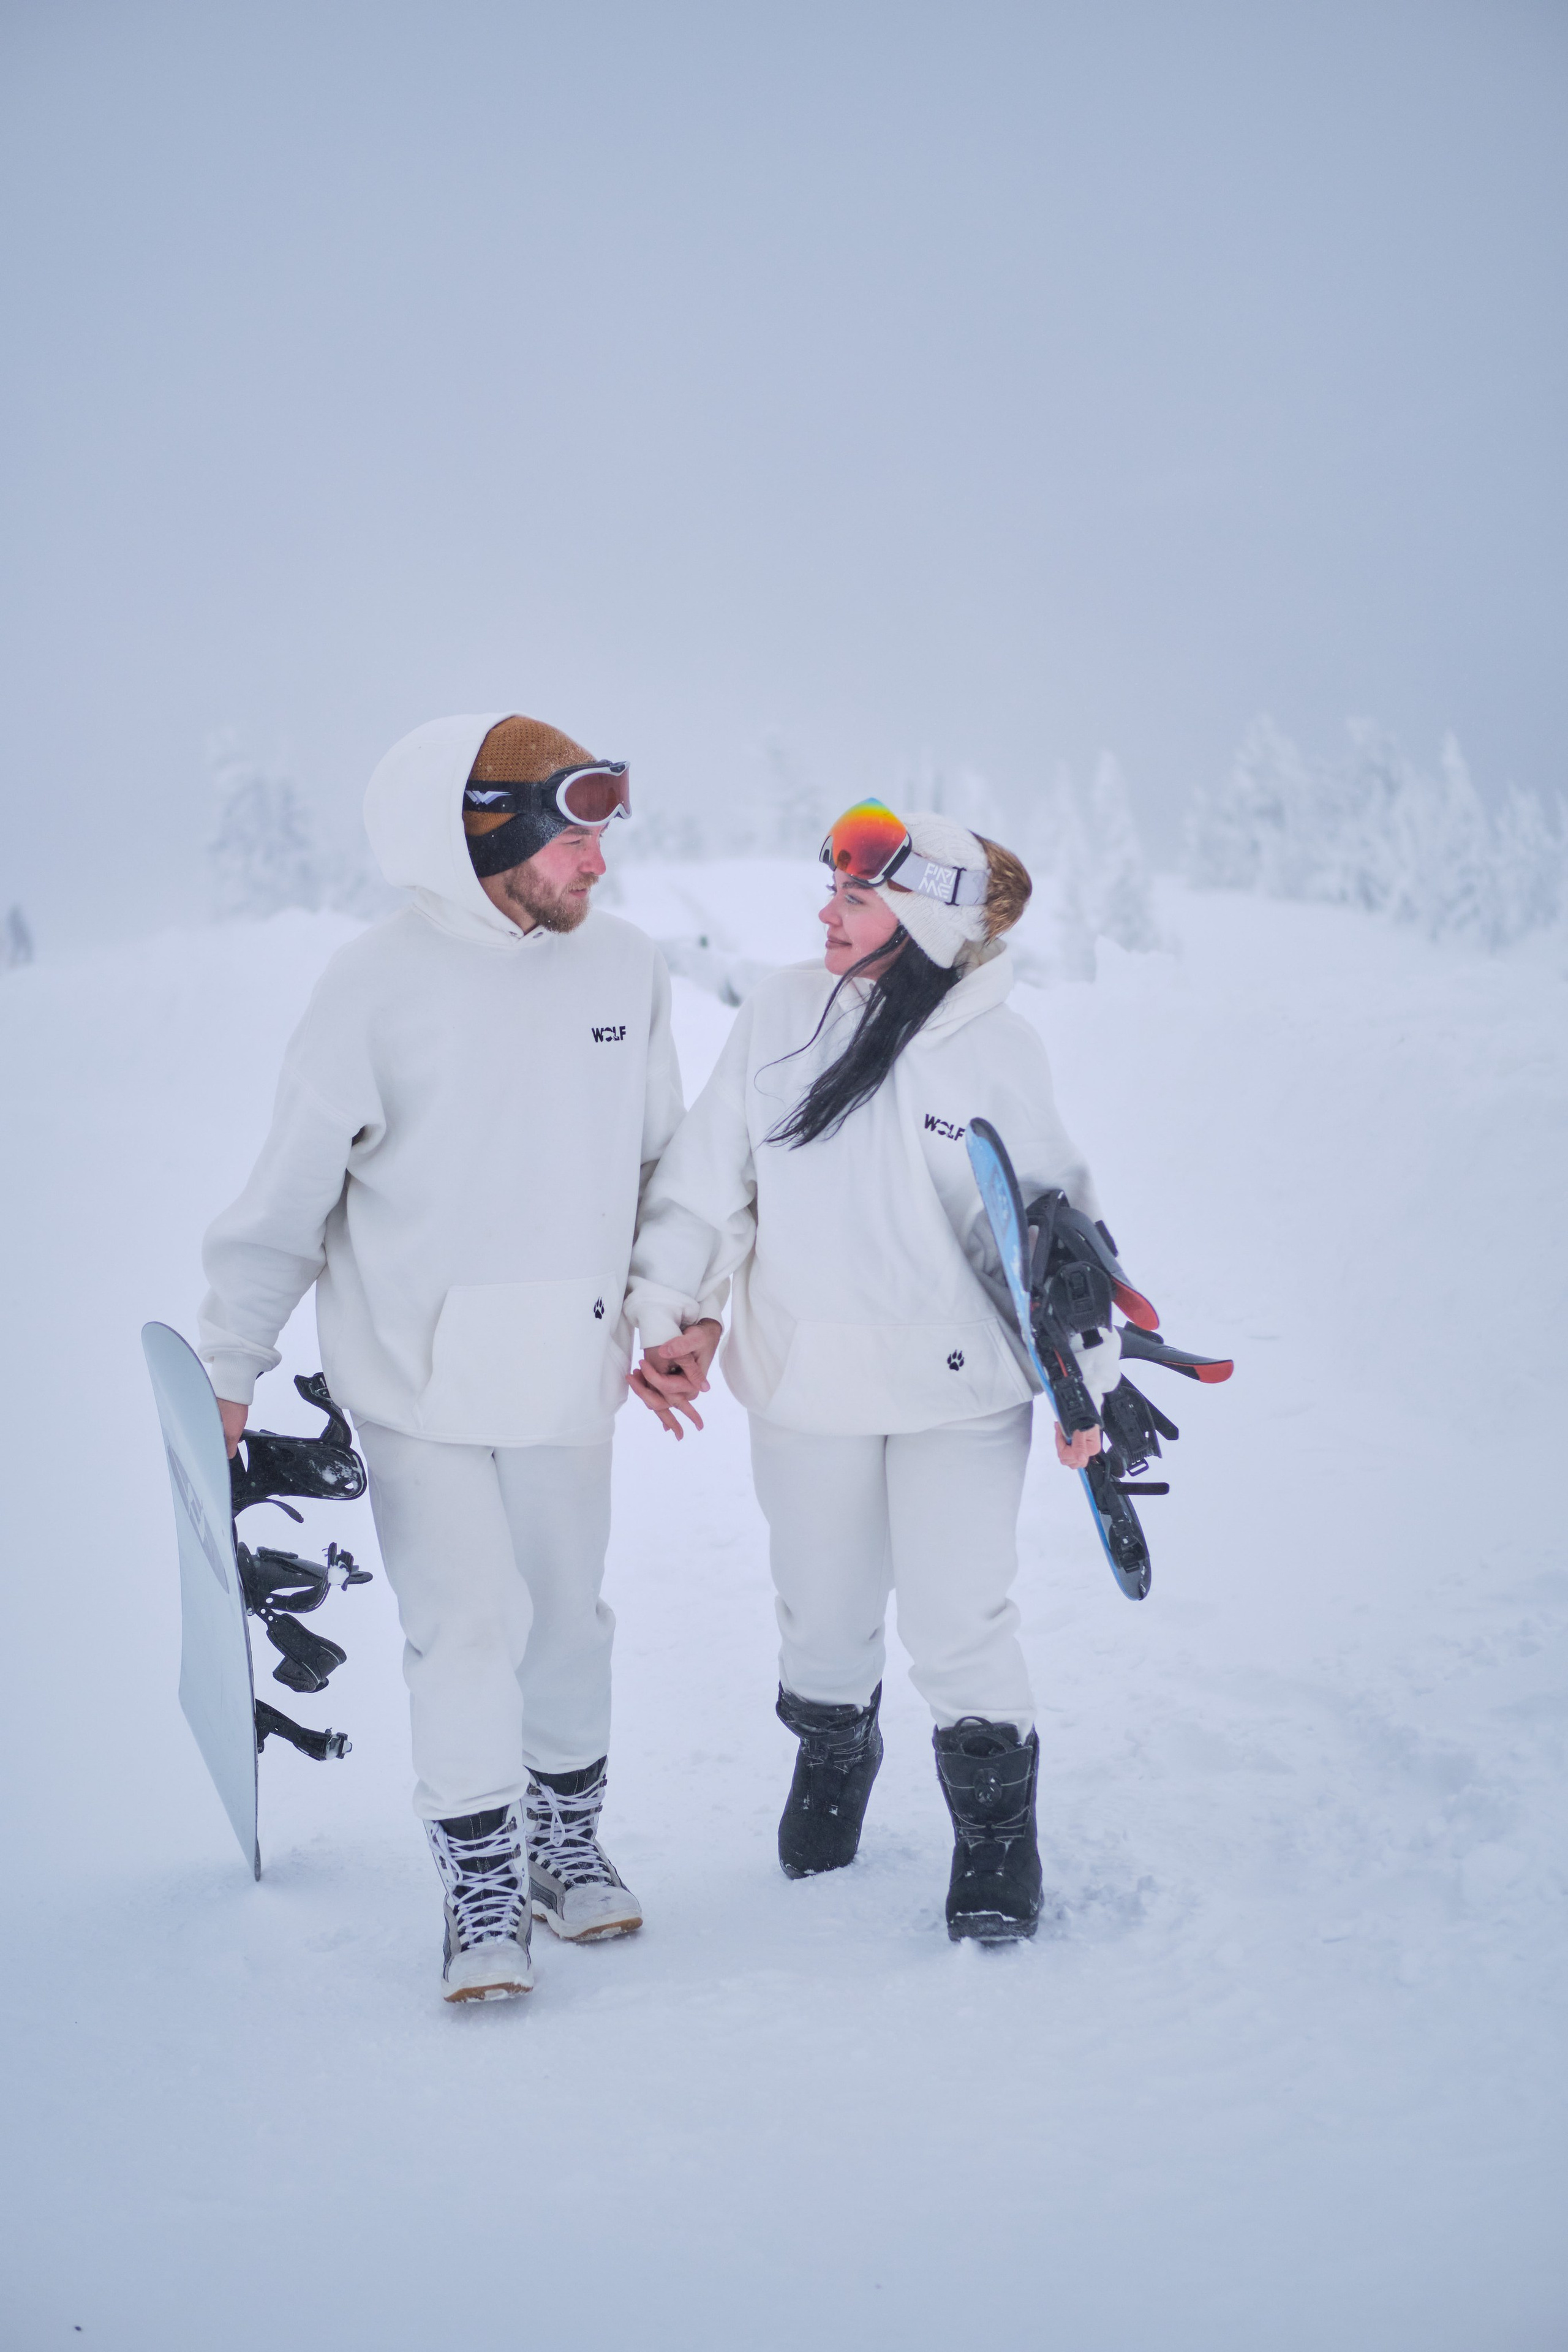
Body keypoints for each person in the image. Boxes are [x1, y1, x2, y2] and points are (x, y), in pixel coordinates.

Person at [199, 712, 708, 2002]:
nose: (598, 863)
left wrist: (665, 1314)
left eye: (602, 833)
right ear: (485, 831)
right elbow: (284, 1203)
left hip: (566, 1371)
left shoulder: (626, 970)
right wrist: (227, 1363)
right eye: (573, 834)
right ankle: (479, 1871)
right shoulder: (373, 984)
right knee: (464, 1626)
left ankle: (563, 1842)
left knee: (568, 1624)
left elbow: (660, 1169)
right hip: (415, 1380)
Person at [625, 800, 1118, 1943]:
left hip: (956, 1392)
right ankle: (835, 1757)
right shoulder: (784, 1013)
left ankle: (998, 1839)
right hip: (807, 1380)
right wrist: (679, 1307)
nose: (826, 916)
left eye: (855, 900)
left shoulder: (997, 1044)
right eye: (835, 894)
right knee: (825, 1612)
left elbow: (1058, 1232)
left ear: (922, 920)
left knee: (960, 1617)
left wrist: (1085, 1379)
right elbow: (711, 1182)